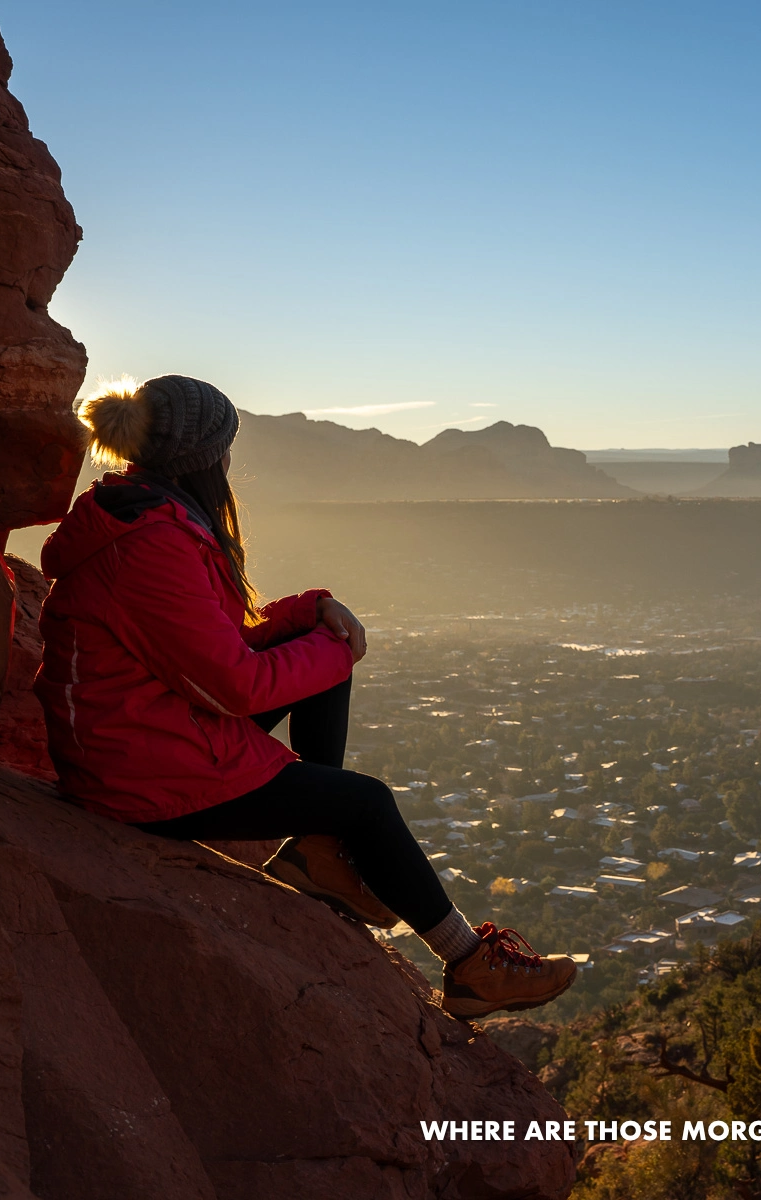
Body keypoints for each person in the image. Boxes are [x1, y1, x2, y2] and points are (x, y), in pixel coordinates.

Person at [32, 374, 575, 1019]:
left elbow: (207, 644)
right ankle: (467, 967)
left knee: (323, 649)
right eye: (225, 447)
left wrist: (310, 613)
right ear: (202, 457)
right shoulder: (154, 543)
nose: (231, 460)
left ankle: (321, 852)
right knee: (365, 801)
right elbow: (234, 685)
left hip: (143, 727)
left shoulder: (142, 510)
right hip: (135, 771)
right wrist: (334, 650)